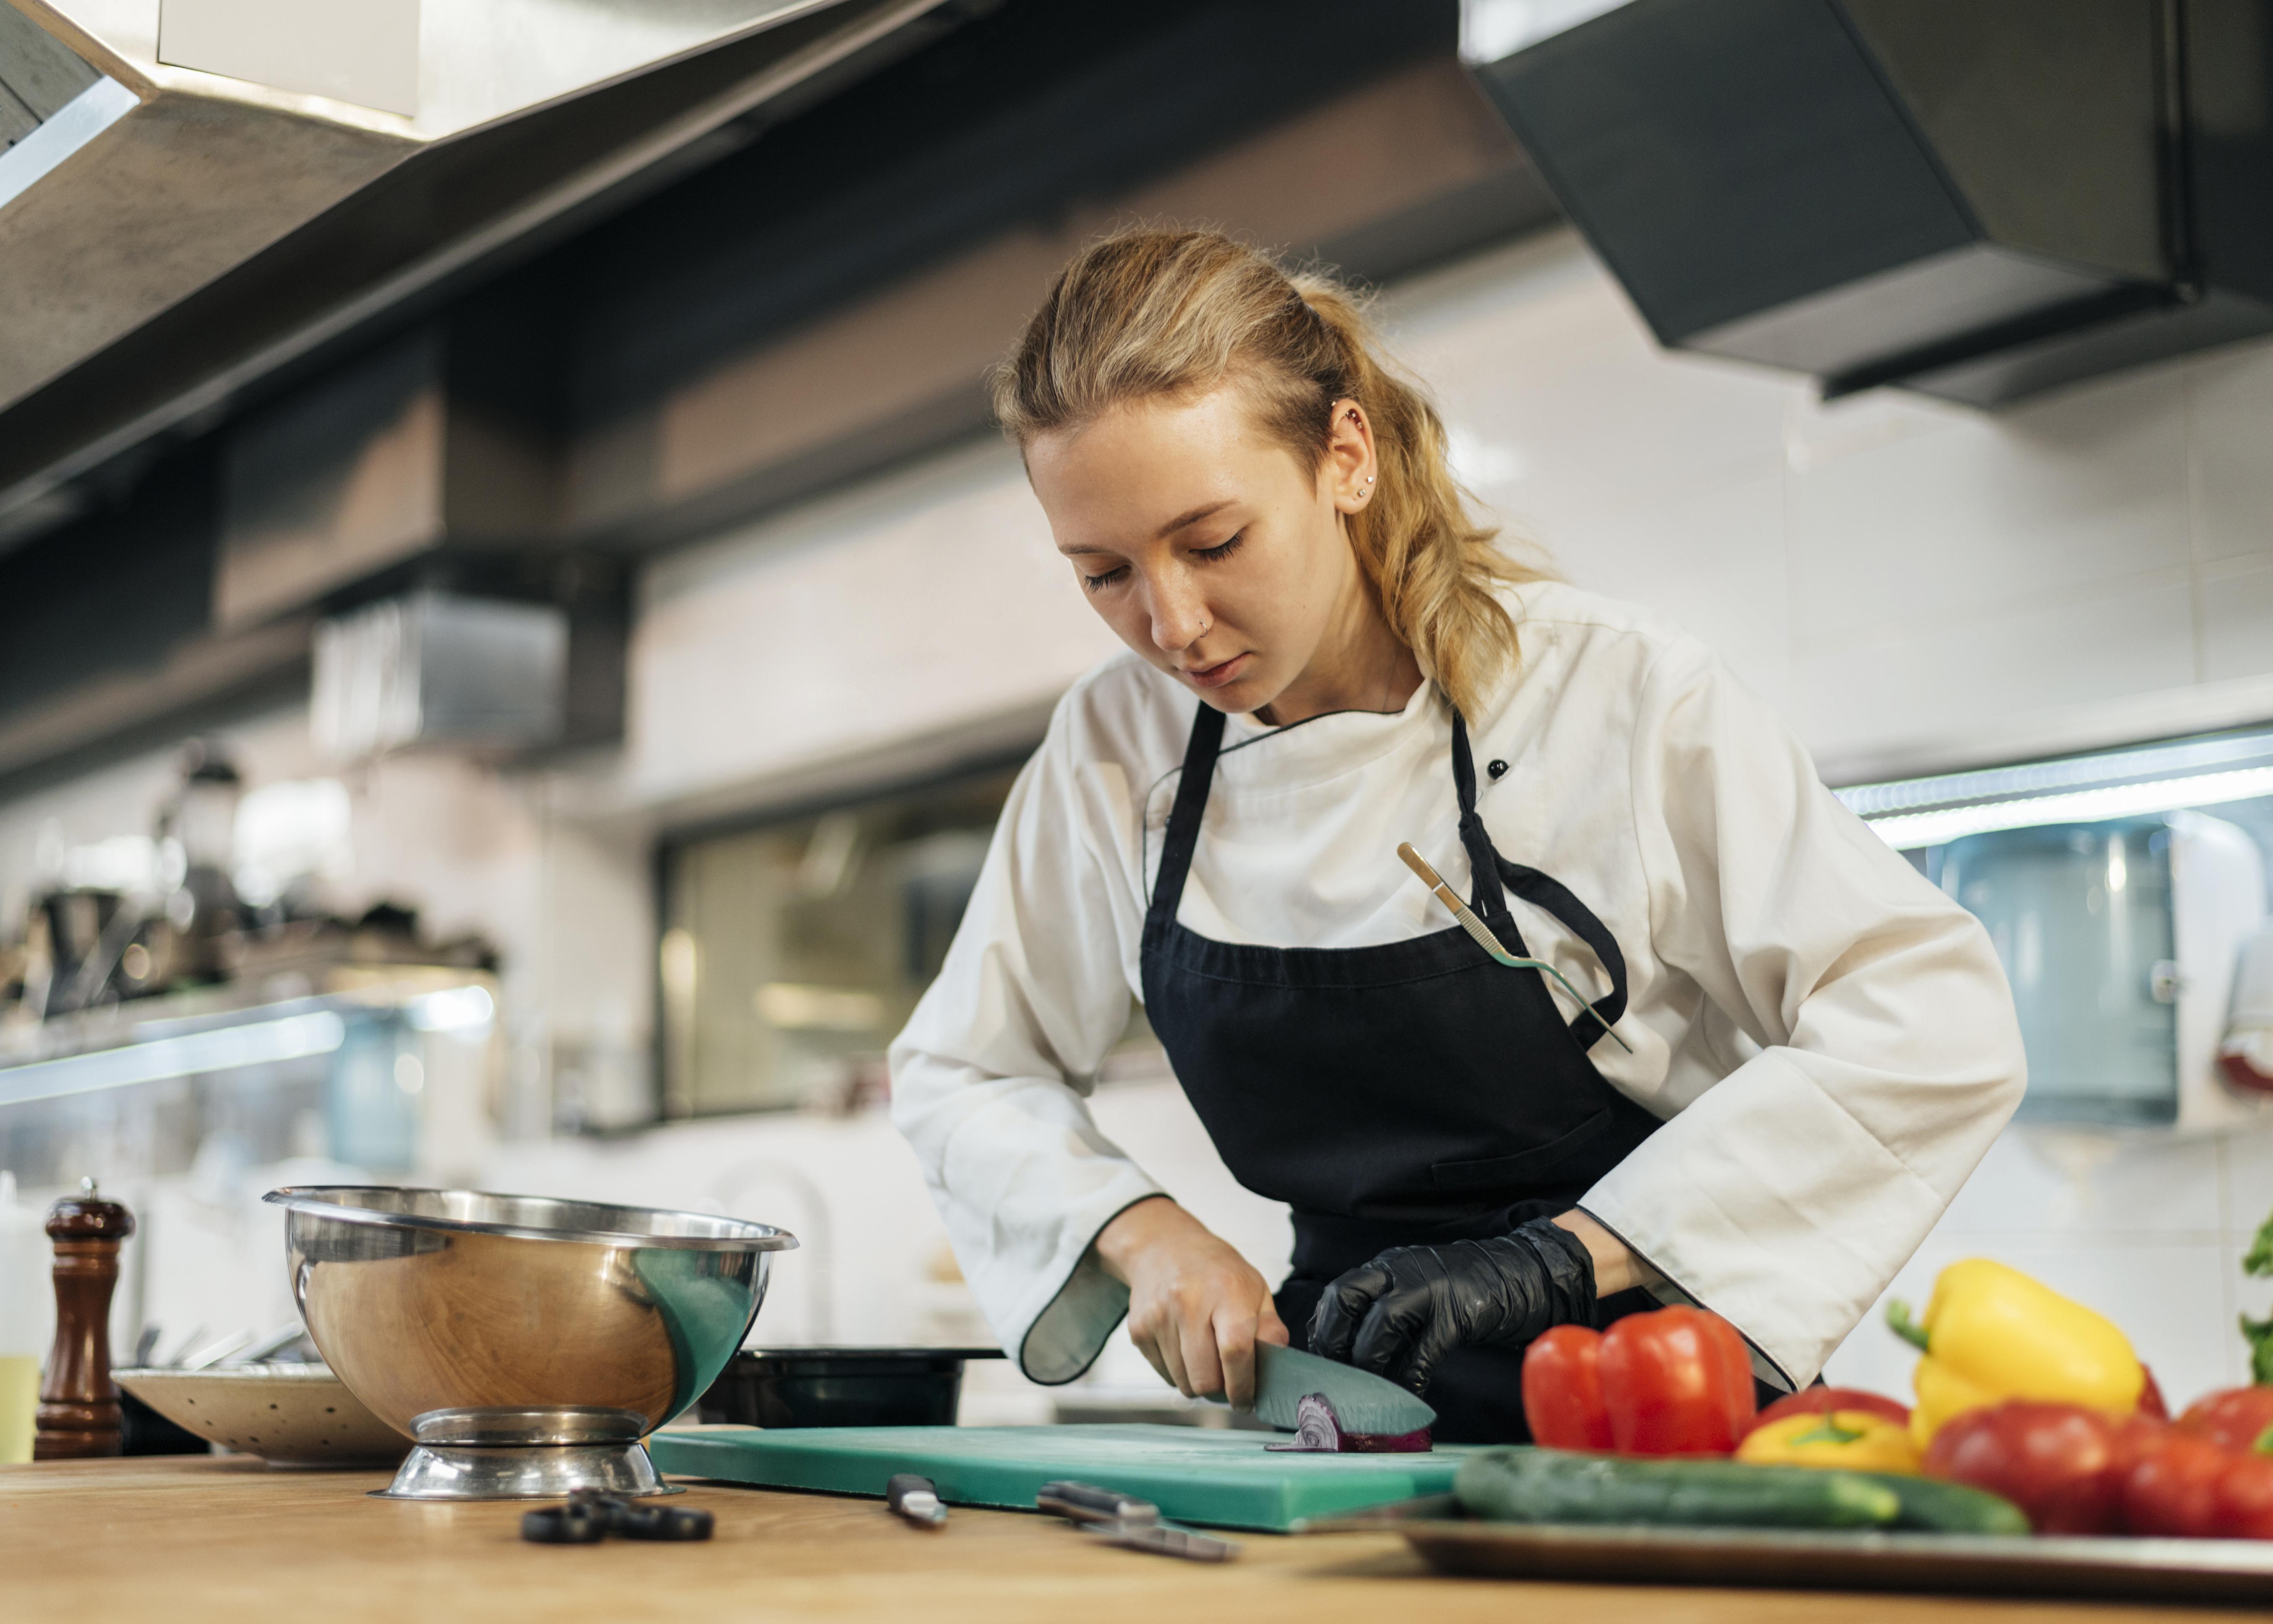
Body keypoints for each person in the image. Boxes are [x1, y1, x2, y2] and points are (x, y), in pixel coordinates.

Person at [887, 228, 2025, 1442]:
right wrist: (1141, 1229)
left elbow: (1931, 1019)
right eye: (1103, 572)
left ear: (1345, 455)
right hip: (1336, 1428)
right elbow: (965, 1068)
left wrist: (1559, 1261)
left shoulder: (1615, 695)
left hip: (1649, 1415)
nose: (1172, 621)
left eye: (1215, 543)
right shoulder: (1117, 746)